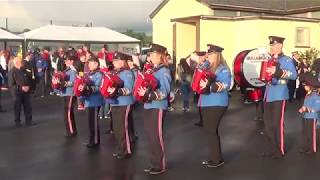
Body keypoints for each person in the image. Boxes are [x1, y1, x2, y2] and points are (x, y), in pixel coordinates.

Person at [137, 43, 172, 175]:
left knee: (156, 136)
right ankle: (154, 162)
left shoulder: (164, 71)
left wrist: (150, 95)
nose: (150, 56)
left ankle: (160, 164)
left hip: (158, 106)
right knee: (151, 136)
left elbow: (165, 91)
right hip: (149, 105)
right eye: (150, 54)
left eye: (153, 54)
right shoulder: (153, 70)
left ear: (160, 56)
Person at [262, 36, 297, 158]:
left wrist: (277, 72)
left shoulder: (286, 60)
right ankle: (272, 148)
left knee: (277, 124)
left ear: (280, 46)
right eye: (271, 45)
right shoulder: (268, 59)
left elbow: (293, 75)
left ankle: (279, 150)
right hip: (268, 94)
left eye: (274, 45)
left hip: (280, 94)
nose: (272, 47)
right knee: (268, 124)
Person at [197, 44, 231, 168]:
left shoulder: (223, 68)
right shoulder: (207, 66)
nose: (209, 56)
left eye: (211, 54)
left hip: (217, 103)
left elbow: (225, 84)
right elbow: (198, 74)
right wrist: (201, 62)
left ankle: (216, 159)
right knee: (210, 130)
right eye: (208, 54)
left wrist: (209, 86)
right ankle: (215, 156)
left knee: (211, 130)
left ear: (217, 55)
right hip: (206, 102)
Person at [107, 52, 135, 159]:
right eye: (114, 61)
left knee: (122, 127)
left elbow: (129, 88)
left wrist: (116, 91)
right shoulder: (115, 72)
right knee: (117, 128)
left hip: (124, 102)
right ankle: (121, 148)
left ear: (123, 62)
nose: (115, 63)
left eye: (117, 61)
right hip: (115, 102)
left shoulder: (127, 72)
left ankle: (126, 150)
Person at [79, 57, 104, 148]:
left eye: (91, 63)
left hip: (95, 101)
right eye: (88, 63)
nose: (89, 65)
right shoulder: (88, 74)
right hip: (88, 101)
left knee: (93, 122)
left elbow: (99, 87)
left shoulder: (99, 74)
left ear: (96, 64)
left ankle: (95, 140)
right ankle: (92, 139)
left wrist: (88, 88)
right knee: (90, 122)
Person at [52, 54, 78, 137]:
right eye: (65, 61)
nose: (66, 62)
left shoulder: (73, 71)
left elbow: (73, 83)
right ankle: (71, 130)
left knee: (67, 113)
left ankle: (71, 131)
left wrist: (62, 83)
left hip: (70, 94)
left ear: (72, 61)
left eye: (68, 61)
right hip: (65, 93)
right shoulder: (66, 70)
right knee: (68, 113)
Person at [298, 69, 320, 154]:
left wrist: (305, 109)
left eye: (305, 85)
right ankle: (306, 147)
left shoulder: (316, 95)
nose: (304, 87)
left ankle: (312, 149)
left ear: (311, 86)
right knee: (305, 132)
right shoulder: (308, 94)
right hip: (306, 116)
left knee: (311, 133)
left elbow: (317, 107)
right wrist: (303, 108)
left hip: (312, 117)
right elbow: (306, 104)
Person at [10, 57, 36, 127]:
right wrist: (21, 87)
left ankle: (28, 120)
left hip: (26, 92)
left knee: (28, 106)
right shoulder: (12, 71)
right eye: (21, 62)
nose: (22, 63)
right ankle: (17, 122)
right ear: (17, 63)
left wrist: (29, 86)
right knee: (17, 107)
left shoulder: (24, 70)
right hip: (17, 93)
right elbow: (11, 84)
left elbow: (29, 79)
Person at [192, 51, 210, 127]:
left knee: (203, 105)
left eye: (200, 57)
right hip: (199, 88)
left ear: (203, 57)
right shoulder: (200, 64)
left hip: (203, 87)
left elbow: (202, 73)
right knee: (200, 105)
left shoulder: (206, 64)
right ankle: (202, 120)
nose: (199, 58)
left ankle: (204, 121)